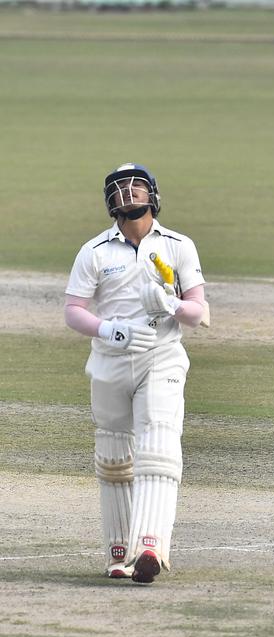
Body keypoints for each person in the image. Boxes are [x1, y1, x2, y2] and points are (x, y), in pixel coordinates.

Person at [64, 163, 209, 584]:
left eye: (137, 188)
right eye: (121, 190)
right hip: (110, 360)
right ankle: (118, 550)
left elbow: (198, 313)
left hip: (161, 355)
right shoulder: (95, 252)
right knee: (113, 457)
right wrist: (108, 328)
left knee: (159, 442)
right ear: (110, 203)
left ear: (153, 195)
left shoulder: (178, 246)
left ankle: (150, 544)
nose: (130, 195)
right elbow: (73, 311)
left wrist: (173, 306)